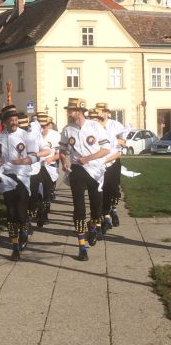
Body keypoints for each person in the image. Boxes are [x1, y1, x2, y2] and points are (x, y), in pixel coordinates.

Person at [59, 98, 110, 261]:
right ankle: (82, 246)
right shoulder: (67, 130)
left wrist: (88, 158)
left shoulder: (95, 126)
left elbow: (105, 150)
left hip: (95, 169)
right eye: (68, 110)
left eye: (70, 110)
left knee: (97, 207)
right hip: (77, 170)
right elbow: (62, 149)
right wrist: (64, 162)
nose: (68, 112)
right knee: (79, 208)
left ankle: (93, 226)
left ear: (79, 112)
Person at [0, 105, 41, 261]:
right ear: (5, 122)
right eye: (10, 120)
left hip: (23, 177)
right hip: (7, 178)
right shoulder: (0, 136)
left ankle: (24, 230)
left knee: (21, 210)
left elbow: (35, 155)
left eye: (15, 119)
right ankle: (15, 247)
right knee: (10, 212)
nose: (14, 122)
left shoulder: (26, 135)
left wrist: (25, 160)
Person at [95, 102, 128, 231]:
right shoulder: (94, 125)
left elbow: (124, 142)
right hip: (98, 163)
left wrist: (111, 139)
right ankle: (105, 216)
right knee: (101, 191)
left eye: (104, 111)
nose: (101, 113)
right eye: (99, 111)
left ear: (108, 113)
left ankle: (112, 210)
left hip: (113, 161)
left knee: (114, 190)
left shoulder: (115, 125)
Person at [40, 115, 61, 220]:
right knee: (36, 192)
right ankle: (39, 211)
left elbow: (60, 153)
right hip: (35, 167)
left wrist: (52, 159)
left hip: (50, 166)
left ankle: (45, 212)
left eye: (45, 126)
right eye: (40, 126)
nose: (43, 128)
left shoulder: (56, 135)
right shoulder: (32, 134)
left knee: (47, 191)